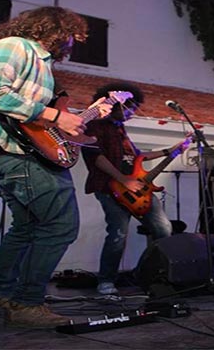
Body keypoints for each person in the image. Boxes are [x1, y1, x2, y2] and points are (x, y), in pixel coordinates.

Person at [0, 6, 111, 328]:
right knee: (60, 226)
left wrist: (81, 116)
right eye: (70, 36)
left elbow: (38, 115)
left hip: (23, 149)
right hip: (17, 152)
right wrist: (57, 117)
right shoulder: (14, 46)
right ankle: (26, 304)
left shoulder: (41, 63)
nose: (71, 44)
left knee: (26, 228)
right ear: (53, 29)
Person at [82, 82, 191, 296]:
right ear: (117, 104)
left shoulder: (119, 128)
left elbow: (137, 156)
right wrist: (124, 179)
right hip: (109, 187)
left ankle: (152, 274)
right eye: (130, 107)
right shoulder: (94, 125)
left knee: (164, 229)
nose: (132, 112)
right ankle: (105, 281)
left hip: (136, 189)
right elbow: (96, 157)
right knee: (118, 233)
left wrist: (171, 150)